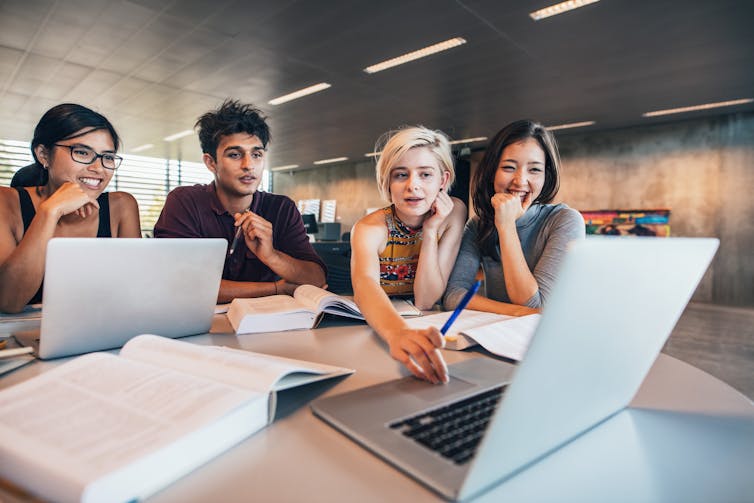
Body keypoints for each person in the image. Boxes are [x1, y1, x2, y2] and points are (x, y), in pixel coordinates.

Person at [153, 99, 326, 303]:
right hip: (203, 324)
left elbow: (317, 279)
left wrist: (271, 255)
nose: (248, 165)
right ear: (211, 162)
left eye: (257, 154)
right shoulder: (185, 202)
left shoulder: (281, 208)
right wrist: (276, 289)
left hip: (269, 325)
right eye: (235, 155)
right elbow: (181, 284)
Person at [350, 126, 467, 384]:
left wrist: (431, 230)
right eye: (401, 175)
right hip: (377, 329)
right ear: (387, 182)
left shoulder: (454, 213)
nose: (413, 185)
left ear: (443, 181)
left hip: (427, 325)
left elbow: (426, 299)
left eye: (425, 174)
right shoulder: (369, 228)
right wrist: (397, 333)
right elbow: (364, 285)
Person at [0, 103, 141, 313]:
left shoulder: (122, 206)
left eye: (108, 157)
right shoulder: (6, 201)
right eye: (82, 152)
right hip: (26, 334)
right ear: (43, 155)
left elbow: (136, 292)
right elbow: (9, 301)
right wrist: (50, 211)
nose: (98, 168)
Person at [444, 119, 585, 316]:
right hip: (496, 335)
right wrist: (515, 312)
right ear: (492, 172)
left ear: (546, 176)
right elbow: (453, 295)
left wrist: (506, 225)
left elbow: (534, 302)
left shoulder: (565, 221)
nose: (520, 181)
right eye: (509, 167)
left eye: (534, 169)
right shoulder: (477, 225)